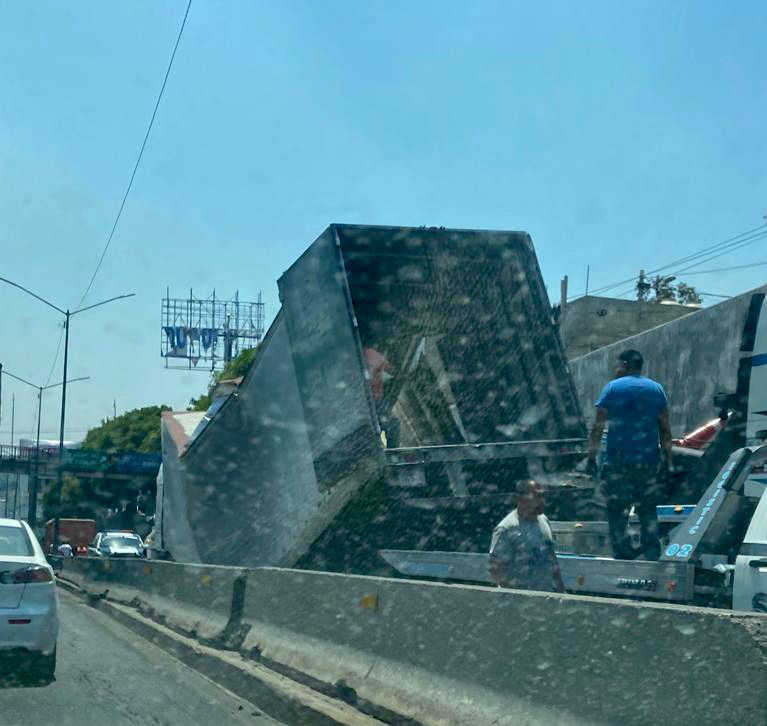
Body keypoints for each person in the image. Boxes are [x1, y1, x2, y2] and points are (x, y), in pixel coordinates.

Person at [586, 349, 672, 561]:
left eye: (617, 365)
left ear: (625, 364)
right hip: (647, 464)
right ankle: (651, 554)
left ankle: (623, 554)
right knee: (648, 511)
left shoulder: (612, 388)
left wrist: (591, 457)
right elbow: (665, 429)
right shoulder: (656, 389)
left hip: (617, 464)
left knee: (617, 512)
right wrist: (667, 459)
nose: (615, 369)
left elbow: (598, 427)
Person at [489, 480, 565, 593]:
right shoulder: (507, 528)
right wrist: (515, 596)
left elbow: (552, 558)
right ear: (521, 499)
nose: (543, 501)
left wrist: (561, 590)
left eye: (543, 496)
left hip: (546, 595)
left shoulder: (544, 520)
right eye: (537, 496)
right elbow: (496, 569)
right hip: (521, 598)